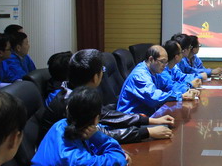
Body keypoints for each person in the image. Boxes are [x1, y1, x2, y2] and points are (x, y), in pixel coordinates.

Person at [41, 49, 174, 143]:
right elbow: (100, 134)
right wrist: (147, 132)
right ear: (95, 77)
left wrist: (150, 121)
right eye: (102, 70)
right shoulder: (73, 102)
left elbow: (105, 114)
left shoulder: (75, 92)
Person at [22, 87, 131, 166]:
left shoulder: (60, 125)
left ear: (68, 109)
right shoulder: (74, 160)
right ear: (96, 119)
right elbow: (119, 159)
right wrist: (98, 137)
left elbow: (105, 154)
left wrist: (97, 137)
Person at [117, 45, 199, 116]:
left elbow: (168, 85)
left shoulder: (154, 71)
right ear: (151, 59)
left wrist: (187, 89)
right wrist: (180, 96)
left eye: (166, 62)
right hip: (131, 119)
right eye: (162, 62)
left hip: (146, 115)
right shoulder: (140, 75)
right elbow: (154, 97)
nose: (165, 66)